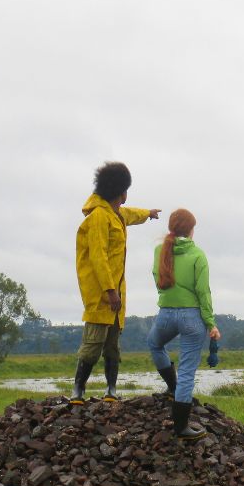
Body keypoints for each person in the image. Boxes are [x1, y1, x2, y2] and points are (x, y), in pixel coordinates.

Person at [71, 161, 161, 404]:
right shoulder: (99, 217)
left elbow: (130, 214)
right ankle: (77, 391)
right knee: (92, 343)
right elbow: (98, 256)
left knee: (112, 345)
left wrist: (148, 213)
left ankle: (111, 390)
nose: (126, 195)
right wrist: (110, 291)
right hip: (101, 293)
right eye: (125, 190)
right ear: (119, 191)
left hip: (116, 294)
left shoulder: (115, 214)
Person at [147, 208, 221, 440]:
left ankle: (172, 386)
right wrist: (211, 323)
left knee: (154, 343)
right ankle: (181, 428)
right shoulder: (198, 255)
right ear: (190, 230)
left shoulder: (160, 249)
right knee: (188, 371)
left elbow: (156, 278)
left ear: (171, 228)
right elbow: (203, 292)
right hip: (192, 318)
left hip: (166, 314)